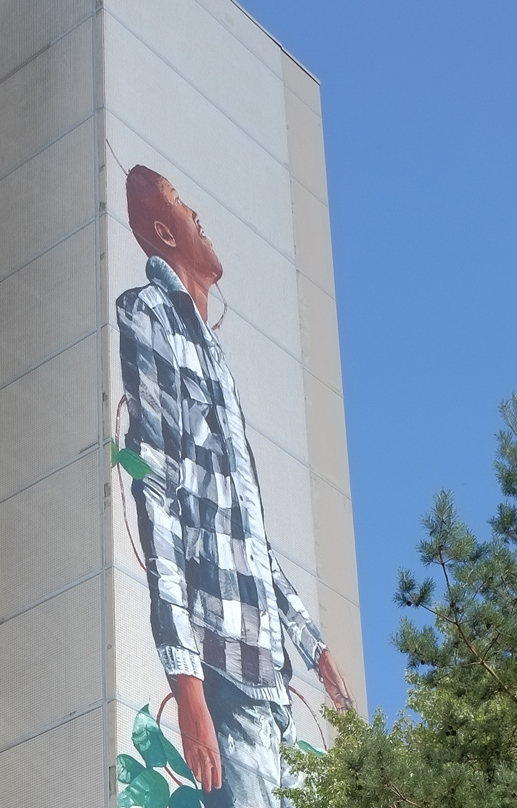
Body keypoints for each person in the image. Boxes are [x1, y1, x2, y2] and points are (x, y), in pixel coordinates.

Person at [116, 165, 354, 808]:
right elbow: (156, 499)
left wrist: (314, 646)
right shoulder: (148, 316)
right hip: (224, 670)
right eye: (185, 208)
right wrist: (188, 687)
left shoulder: (215, 356)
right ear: (165, 230)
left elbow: (245, 534)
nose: (201, 218)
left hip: (271, 682)